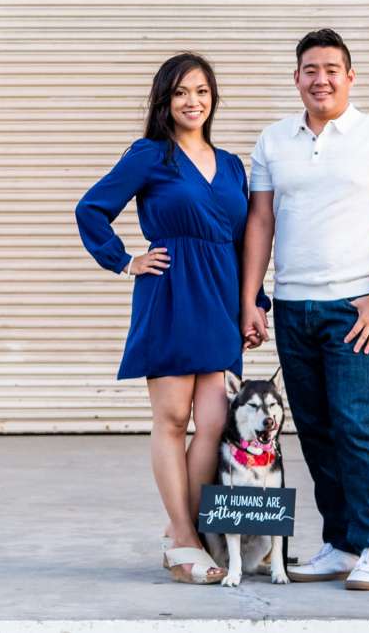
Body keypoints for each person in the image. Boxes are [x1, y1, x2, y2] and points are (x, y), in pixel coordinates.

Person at [239, 28, 369, 592]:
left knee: (355, 426)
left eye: (332, 69)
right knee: (315, 430)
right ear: (296, 77)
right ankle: (341, 544)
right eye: (310, 70)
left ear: (350, 76)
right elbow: (261, 222)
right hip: (293, 306)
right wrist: (252, 296)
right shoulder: (273, 141)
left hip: (354, 308)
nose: (321, 79)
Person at [75, 52, 251, 585]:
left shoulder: (234, 165)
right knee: (173, 420)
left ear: (213, 97)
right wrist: (125, 260)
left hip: (220, 296)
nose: (191, 101)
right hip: (171, 293)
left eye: (200, 91)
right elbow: (91, 208)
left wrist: (255, 304)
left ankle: (192, 531)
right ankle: (182, 537)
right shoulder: (150, 155)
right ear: (164, 101)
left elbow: (244, 242)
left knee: (216, 424)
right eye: (179, 93)